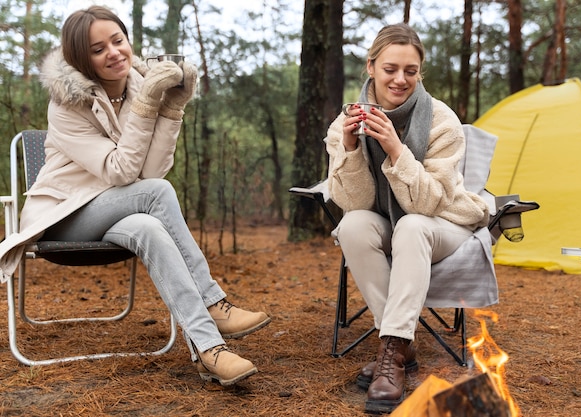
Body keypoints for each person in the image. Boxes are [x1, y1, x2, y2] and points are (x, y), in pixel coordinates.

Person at [0, 6, 270, 386]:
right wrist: (148, 107)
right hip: (65, 215)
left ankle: (209, 350)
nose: (113, 52)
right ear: (82, 59)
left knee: (148, 226)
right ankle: (213, 302)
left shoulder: (143, 86)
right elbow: (122, 172)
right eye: (98, 49)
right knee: (157, 195)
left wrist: (171, 108)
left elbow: (149, 174)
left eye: (118, 40)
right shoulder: (66, 105)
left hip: (119, 205)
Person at [325, 23, 489, 414]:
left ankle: (389, 354)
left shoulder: (441, 121)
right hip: (389, 221)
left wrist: (396, 149)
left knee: (412, 225)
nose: (400, 79)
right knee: (352, 225)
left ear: (420, 73)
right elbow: (355, 202)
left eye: (410, 71)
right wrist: (349, 148)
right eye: (390, 69)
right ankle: (399, 348)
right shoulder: (345, 122)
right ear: (371, 67)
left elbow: (428, 203)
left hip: (442, 223)